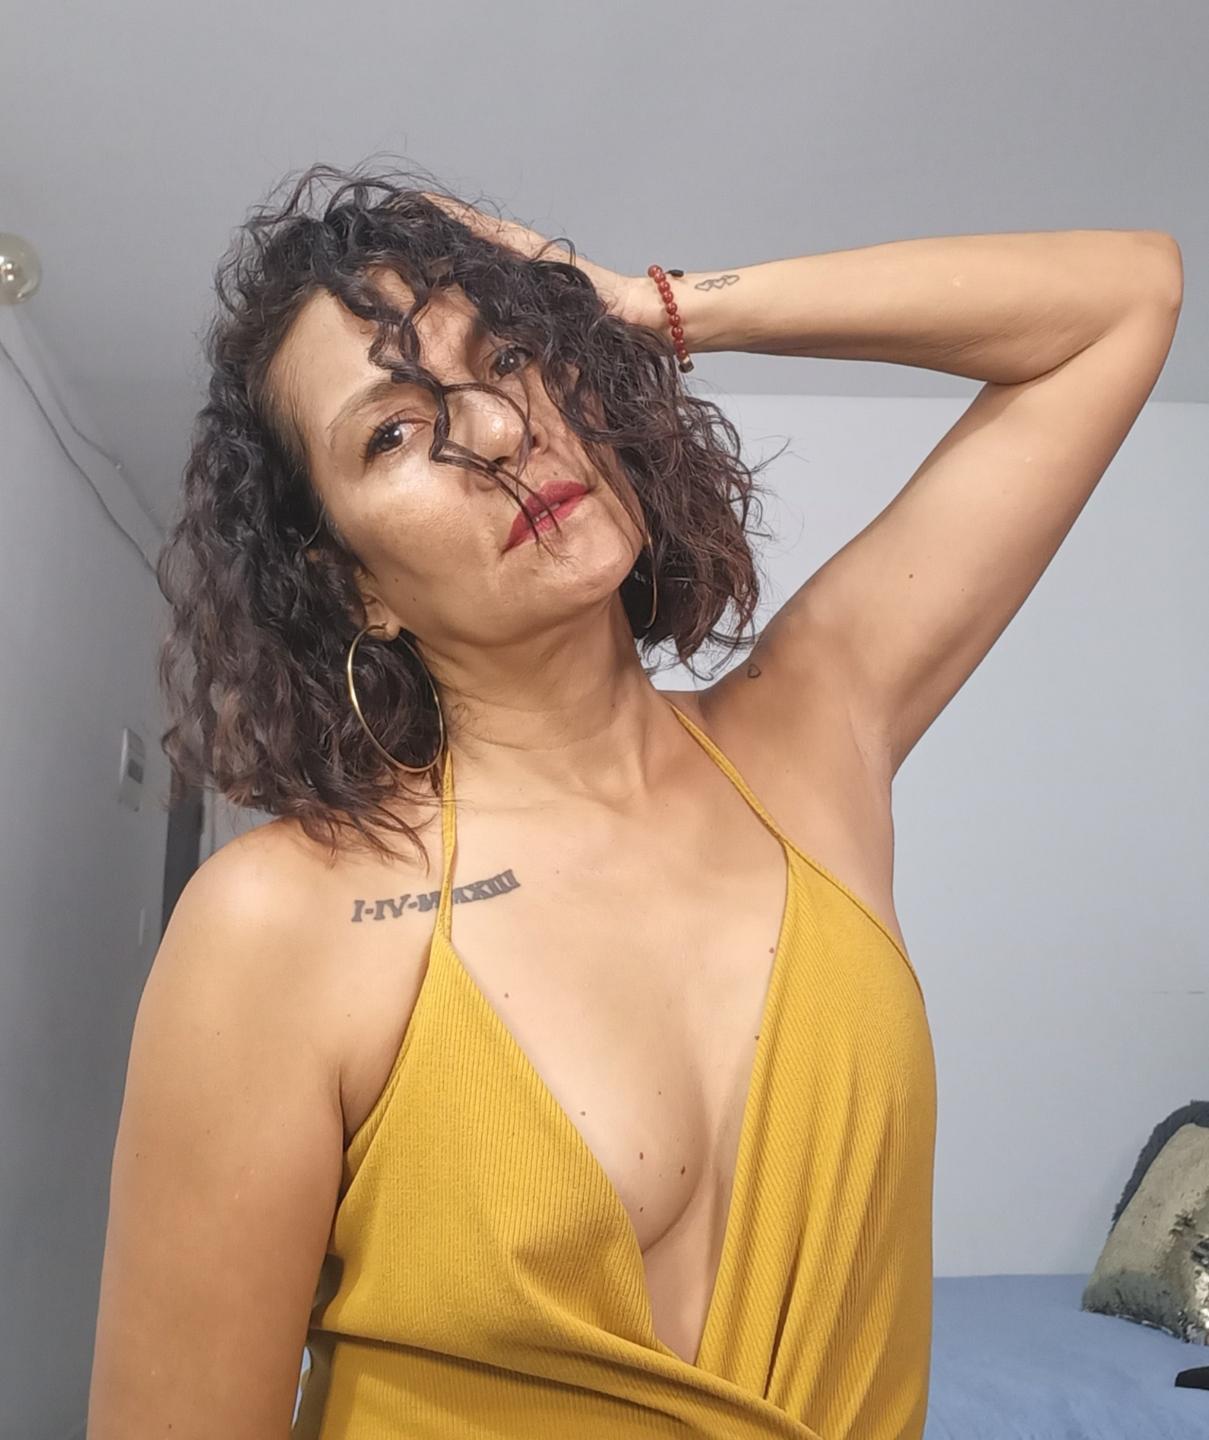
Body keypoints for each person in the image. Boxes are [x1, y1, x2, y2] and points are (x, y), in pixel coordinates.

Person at [87, 163, 1182, 1440]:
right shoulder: (281, 923)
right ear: (353, 587)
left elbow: (1127, 298)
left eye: (508, 357)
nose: (497, 429)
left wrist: (645, 304)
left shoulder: (807, 738)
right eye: (392, 432)